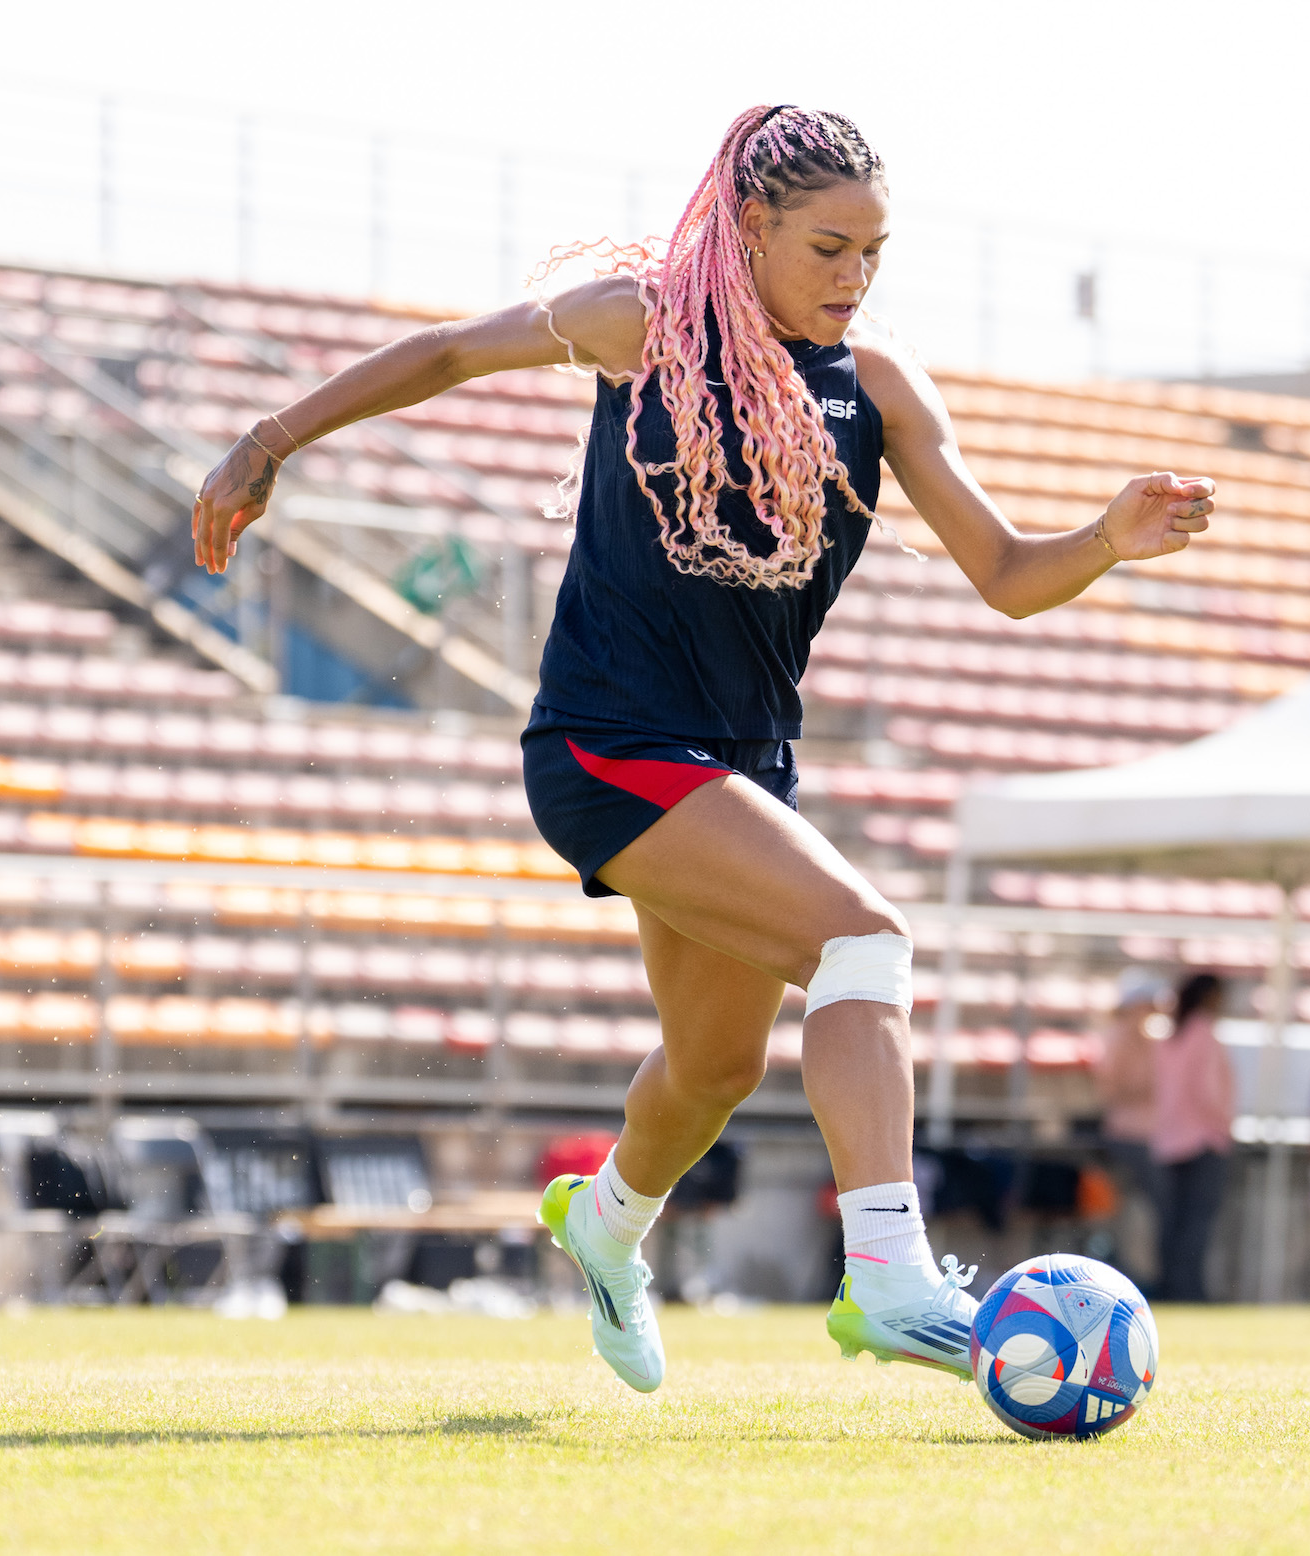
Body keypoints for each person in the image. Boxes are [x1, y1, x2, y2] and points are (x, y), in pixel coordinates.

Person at [191, 105, 1216, 1393]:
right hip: (607, 740)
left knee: (717, 1064)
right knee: (865, 936)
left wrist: (1108, 536)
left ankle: (605, 1221)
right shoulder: (643, 320)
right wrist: (267, 439)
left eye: (873, 255)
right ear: (750, 226)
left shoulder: (880, 386)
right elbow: (450, 354)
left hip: (739, 766)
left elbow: (1007, 574)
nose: (853, 278)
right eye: (828, 247)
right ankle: (888, 1277)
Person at [1150, 973, 1235, 1302]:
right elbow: (1207, 1091)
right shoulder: (1203, 1033)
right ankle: (1189, 1292)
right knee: (1196, 1224)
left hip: (1170, 1141)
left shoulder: (1172, 1035)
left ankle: (1172, 1287)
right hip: (1203, 1140)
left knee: (1172, 1223)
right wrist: (1223, 1123)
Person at [1098, 969, 1166, 1280]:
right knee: (1140, 1211)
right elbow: (1113, 1090)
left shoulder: (1150, 1039)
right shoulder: (1119, 1039)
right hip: (1129, 1137)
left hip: (1152, 1138)